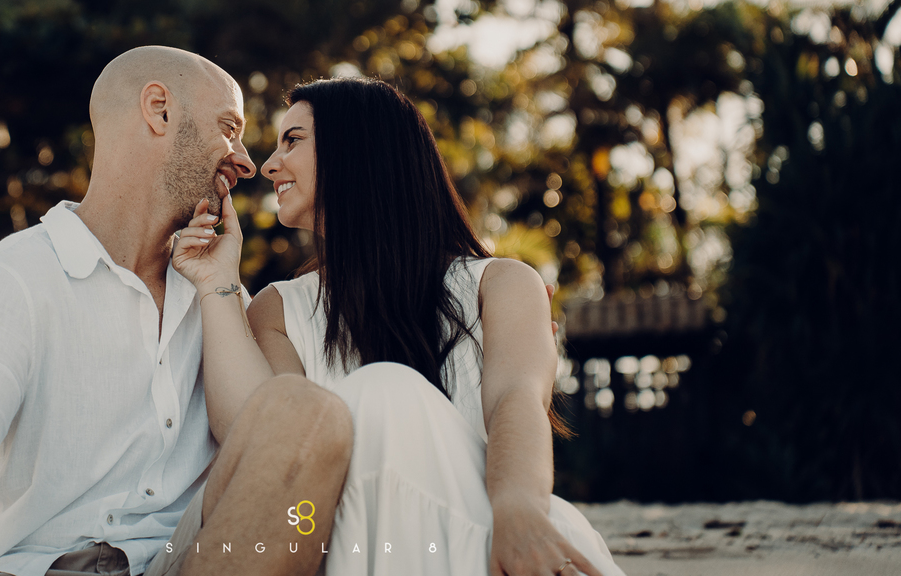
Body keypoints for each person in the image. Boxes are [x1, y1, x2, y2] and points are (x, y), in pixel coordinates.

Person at [0, 46, 354, 576]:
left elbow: (267, 460)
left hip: (186, 566)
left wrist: (219, 288)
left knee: (302, 412)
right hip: (33, 569)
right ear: (159, 109)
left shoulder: (223, 302)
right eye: (229, 128)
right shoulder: (12, 279)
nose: (247, 161)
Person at [172, 77, 626, 576]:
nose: (268, 165)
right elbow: (260, 447)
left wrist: (518, 509)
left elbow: (515, 400)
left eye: (293, 140)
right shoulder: (280, 309)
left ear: (360, 148)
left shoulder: (501, 285)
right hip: (341, 543)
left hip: (476, 525)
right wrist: (217, 285)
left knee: (386, 390)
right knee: (382, 390)